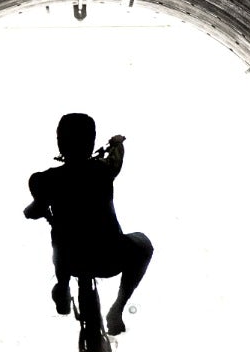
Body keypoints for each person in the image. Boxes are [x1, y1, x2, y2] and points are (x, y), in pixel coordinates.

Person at [22, 112, 154, 335]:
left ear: (60, 141)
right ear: (91, 141)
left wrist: (37, 210)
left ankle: (63, 288)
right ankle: (117, 308)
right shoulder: (103, 170)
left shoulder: (43, 180)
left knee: (60, 245)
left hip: (70, 261)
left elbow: (32, 211)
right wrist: (117, 143)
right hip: (110, 257)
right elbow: (116, 158)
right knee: (144, 244)